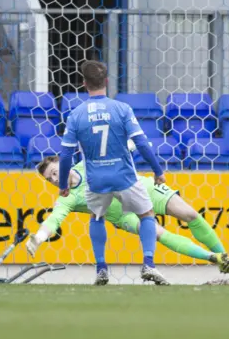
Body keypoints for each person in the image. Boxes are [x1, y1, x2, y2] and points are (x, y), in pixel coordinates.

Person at [26, 156, 229, 284]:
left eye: (55, 172)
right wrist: (38, 237)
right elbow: (54, 220)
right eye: (50, 179)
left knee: (191, 215)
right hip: (123, 215)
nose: (54, 179)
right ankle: (217, 258)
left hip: (141, 189)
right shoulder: (67, 198)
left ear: (63, 162)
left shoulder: (88, 162)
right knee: (158, 233)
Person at [57, 60, 169, 285]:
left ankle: (101, 269)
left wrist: (63, 185)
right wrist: (158, 171)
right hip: (125, 176)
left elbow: (66, 155)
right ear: (107, 81)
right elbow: (142, 144)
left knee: (97, 217)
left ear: (83, 83)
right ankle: (148, 264)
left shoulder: (76, 114)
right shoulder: (122, 109)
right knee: (147, 214)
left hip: (96, 178)